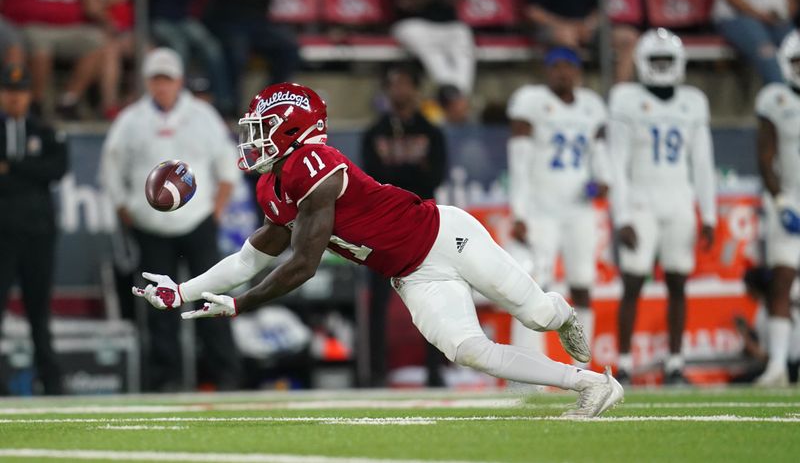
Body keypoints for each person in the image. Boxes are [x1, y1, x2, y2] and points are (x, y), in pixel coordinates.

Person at [133, 81, 624, 418]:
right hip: (412, 274)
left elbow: (303, 265)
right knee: (470, 351)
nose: (251, 140)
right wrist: (184, 289)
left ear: (291, 132)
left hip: (446, 238)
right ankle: (591, 384)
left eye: (261, 130)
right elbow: (249, 258)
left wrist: (239, 305)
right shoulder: (272, 187)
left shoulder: (314, 162)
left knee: (536, 314)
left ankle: (562, 314)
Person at [100, 48, 241, 391]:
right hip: (150, 228)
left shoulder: (203, 116)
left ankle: (225, 374)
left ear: (179, 80)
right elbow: (110, 169)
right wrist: (126, 210)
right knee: (159, 306)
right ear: (147, 82)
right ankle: (167, 378)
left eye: (167, 79)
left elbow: (227, 169)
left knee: (211, 298)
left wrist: (216, 212)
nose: (162, 86)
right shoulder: (130, 120)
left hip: (198, 223)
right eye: (156, 79)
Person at [608, 28, 717, 385]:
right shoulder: (625, 98)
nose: (660, 66)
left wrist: (709, 213)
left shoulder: (694, 101)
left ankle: (674, 364)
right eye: (654, 60)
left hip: (679, 201)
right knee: (633, 281)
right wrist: (622, 215)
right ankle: (623, 365)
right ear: (641, 62)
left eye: (665, 60)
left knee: (677, 282)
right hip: (641, 202)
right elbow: (616, 164)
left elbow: (702, 163)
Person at [506, 47, 610, 365]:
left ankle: (583, 366)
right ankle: (528, 365)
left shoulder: (591, 106)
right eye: (557, 66)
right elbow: (519, 163)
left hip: (578, 210)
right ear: (547, 71)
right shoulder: (531, 101)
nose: (563, 73)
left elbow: (601, 157)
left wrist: (603, 180)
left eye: (569, 66)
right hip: (541, 210)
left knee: (582, 285)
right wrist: (519, 212)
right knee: (534, 286)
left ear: (578, 71)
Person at [361, 65, 447, 386]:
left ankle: (435, 371)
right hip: (383, 223)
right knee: (378, 300)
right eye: (394, 84)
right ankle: (375, 373)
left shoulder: (432, 132)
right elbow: (372, 179)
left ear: (416, 88)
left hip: (421, 221)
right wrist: (413, 171)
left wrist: (398, 174)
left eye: (405, 83)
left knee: (431, 296)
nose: (399, 90)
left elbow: (434, 177)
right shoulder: (375, 132)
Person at [0, 64, 67, 395]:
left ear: (29, 95)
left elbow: (57, 168)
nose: (15, 98)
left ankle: (51, 381)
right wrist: (31, 172)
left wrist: (11, 166)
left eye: (21, 91)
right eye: (9, 91)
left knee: (39, 311)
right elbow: (44, 171)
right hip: (3, 235)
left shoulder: (43, 129)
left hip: (38, 234)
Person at [0, 0, 105, 117]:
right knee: (41, 47)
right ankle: (37, 104)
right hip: (31, 24)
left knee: (97, 41)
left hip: (69, 27)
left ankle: (68, 101)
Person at [209, 0, 306, 107]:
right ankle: (230, 106)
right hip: (228, 22)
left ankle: (269, 102)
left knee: (289, 49)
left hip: (260, 24)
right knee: (237, 54)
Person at [753, 29, 800, 386]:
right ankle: (778, 366)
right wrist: (781, 200)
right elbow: (765, 157)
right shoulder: (775, 98)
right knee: (782, 279)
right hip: (790, 199)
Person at [146, 0, 233, 114]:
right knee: (179, 47)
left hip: (183, 18)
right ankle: (179, 101)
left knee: (212, 47)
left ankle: (223, 102)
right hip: (159, 19)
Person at [74, 0, 134, 119]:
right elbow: (90, 8)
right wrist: (108, 20)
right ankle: (110, 106)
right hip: (97, 29)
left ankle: (132, 104)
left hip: (125, 29)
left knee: (148, 52)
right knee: (110, 52)